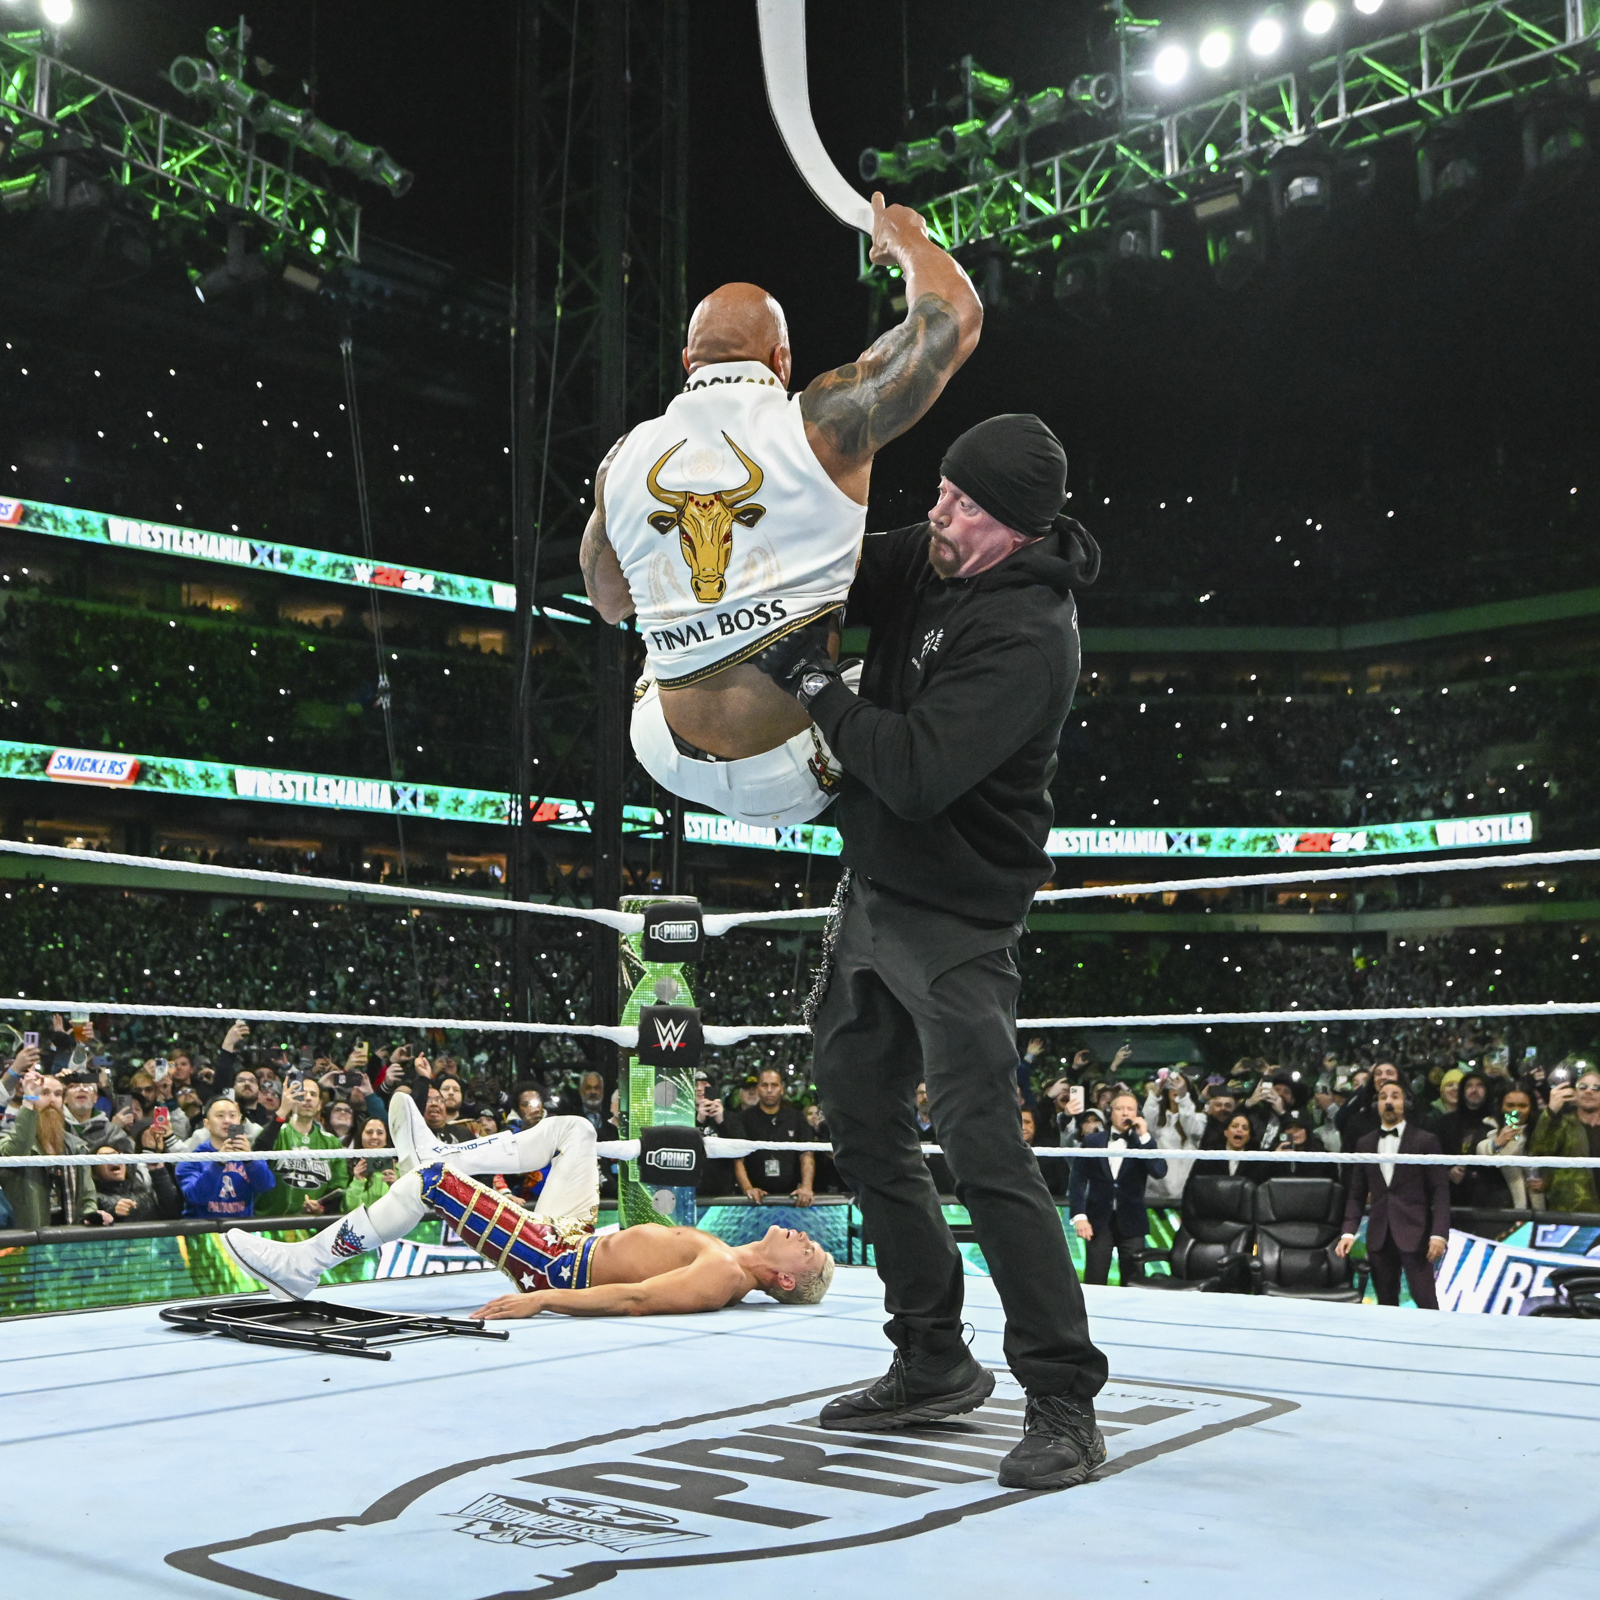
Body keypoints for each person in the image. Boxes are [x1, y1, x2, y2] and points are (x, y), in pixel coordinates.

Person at [762, 411, 1108, 1492]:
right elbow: (836, 572)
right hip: (872, 895)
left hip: (959, 917)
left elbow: (910, 772)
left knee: (983, 1151)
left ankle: (1062, 1397)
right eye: (943, 492)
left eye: (960, 505)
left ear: (1012, 527)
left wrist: (814, 683)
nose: (937, 513)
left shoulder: (1030, 637)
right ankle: (930, 1355)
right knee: (862, 1119)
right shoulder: (937, 551)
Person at [581, 194, 982, 828]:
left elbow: (608, 603)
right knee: (888, 664)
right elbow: (954, 316)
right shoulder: (823, 425)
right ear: (782, 361)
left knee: (653, 662)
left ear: (688, 364)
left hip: (661, 752)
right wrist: (906, 240)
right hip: (794, 771)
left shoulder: (621, 459)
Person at [224, 1093, 833, 1315]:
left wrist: (542, 1297)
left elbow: (636, 1298)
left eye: (809, 1252)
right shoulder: (725, 1255)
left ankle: (304, 1264)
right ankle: (444, 1155)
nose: (804, 1237)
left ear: (782, 1277)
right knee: (577, 1131)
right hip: (574, 1235)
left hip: (559, 1261)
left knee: (431, 1185)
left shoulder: (725, 1273)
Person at [1336, 1081, 1450, 1309]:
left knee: (1425, 1300)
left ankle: (1437, 1343)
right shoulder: (1365, 1143)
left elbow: (1440, 1190)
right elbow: (1356, 1193)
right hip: (1379, 1233)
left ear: (1404, 1103)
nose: (1388, 1101)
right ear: (1377, 1103)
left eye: (1395, 1096)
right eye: (1383, 1096)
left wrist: (1439, 1234)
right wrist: (1348, 1232)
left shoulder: (1425, 1140)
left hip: (1416, 1231)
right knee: (1386, 1303)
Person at [1068, 1091, 1166, 1287]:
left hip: (1132, 1221)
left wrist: (1145, 1136)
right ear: (1110, 1112)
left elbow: (1159, 1170)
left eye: (1130, 1109)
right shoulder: (1092, 1141)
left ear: (1137, 1113)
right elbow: (1077, 1180)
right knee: (1095, 1278)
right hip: (1098, 1220)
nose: (1125, 1113)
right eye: (1120, 1108)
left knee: (1134, 1281)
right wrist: (1079, 1216)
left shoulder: (1143, 1144)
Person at [0, 1070, 98, 1228]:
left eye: (58, 1094)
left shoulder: (76, 1146)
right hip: (26, 1239)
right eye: (44, 1093)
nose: (52, 1100)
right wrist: (29, 1099)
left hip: (68, 1237)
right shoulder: (8, 1139)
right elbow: (17, 1149)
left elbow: (87, 1195)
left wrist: (92, 1214)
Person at [253, 1077, 349, 1219]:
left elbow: (338, 1187)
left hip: (310, 1225)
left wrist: (322, 1208)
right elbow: (257, 1157)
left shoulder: (332, 1143)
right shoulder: (275, 1132)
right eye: (303, 1094)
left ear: (319, 1105)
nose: (308, 1098)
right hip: (267, 1222)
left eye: (313, 1095)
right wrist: (282, 1112)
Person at [176, 1097, 276, 1220]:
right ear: (207, 1124)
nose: (227, 1121)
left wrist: (250, 1160)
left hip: (241, 1230)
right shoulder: (192, 1159)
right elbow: (195, 1196)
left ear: (240, 1122)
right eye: (220, 1116)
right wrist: (218, 1163)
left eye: (232, 1115)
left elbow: (266, 1186)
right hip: (202, 1232)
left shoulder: (250, 1157)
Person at [728, 1067, 815, 1206]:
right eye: (764, 1085)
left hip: (791, 1196)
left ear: (782, 1089)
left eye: (774, 1085)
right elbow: (738, 1159)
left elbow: (806, 1155)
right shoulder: (743, 1119)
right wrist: (748, 1189)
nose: (769, 1090)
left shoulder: (796, 1118)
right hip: (754, 1199)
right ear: (758, 1089)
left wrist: (806, 1187)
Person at [1528, 1065, 1600, 1213]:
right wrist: (1551, 1111)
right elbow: (1539, 1148)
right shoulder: (1562, 1124)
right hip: (1571, 1214)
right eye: (1583, 1086)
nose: (1589, 1091)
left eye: (1596, 1088)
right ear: (1573, 1093)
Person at [1141, 1069, 1204, 1206]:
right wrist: (1155, 1093)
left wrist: (1182, 1097)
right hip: (1155, 1192)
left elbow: (1193, 1130)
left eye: (1180, 1085)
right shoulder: (1158, 1119)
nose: (1176, 1088)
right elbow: (1144, 1126)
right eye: (1172, 1086)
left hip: (1185, 1192)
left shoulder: (1199, 1118)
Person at [1472, 1086, 1534, 1211]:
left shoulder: (1539, 1130)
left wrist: (1545, 1181)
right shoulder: (1487, 1127)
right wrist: (1496, 1143)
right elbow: (1476, 1158)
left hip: (1534, 1204)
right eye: (1510, 1105)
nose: (1516, 1111)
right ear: (1501, 1107)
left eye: (1522, 1106)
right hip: (1496, 1204)